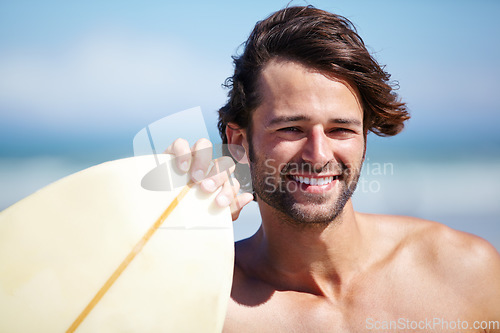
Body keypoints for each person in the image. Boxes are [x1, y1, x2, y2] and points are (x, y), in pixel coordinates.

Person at [165, 6, 500, 332]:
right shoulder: (203, 300)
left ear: (365, 136)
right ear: (238, 140)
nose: (318, 154)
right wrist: (164, 230)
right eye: (291, 129)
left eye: (340, 129)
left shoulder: (463, 271)